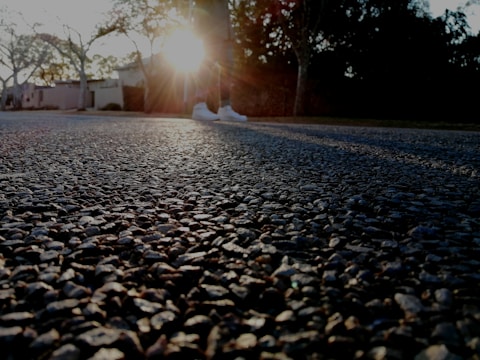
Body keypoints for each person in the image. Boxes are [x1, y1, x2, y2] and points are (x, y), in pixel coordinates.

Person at [191, 0, 247, 121]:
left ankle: (225, 108)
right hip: (211, 23)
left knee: (228, 65)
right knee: (208, 62)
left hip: (225, 26)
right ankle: (199, 106)